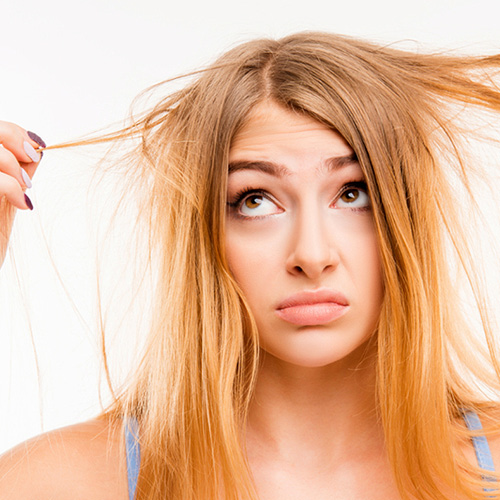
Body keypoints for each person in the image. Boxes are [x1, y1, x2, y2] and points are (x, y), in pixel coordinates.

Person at [0, 31, 500, 500]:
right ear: (202, 232)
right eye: (255, 200)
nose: (312, 255)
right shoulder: (62, 482)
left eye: (354, 193)